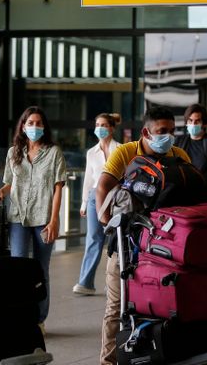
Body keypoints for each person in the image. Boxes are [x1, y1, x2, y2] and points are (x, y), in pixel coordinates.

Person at [95, 106, 192, 365]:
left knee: (162, 306)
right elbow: (103, 186)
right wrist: (107, 222)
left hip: (163, 246)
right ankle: (108, 361)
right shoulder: (126, 153)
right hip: (127, 242)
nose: (168, 137)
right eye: (162, 132)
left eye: (172, 131)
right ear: (146, 132)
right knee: (117, 307)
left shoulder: (179, 155)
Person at [0, 106, 67, 331]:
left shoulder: (54, 152)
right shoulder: (13, 152)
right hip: (18, 217)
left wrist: (54, 220)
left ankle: (39, 319)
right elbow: (9, 182)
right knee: (18, 267)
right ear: (23, 126)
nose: (34, 127)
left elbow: (58, 188)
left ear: (44, 126)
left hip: (43, 218)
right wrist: (1, 193)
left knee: (40, 269)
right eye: (30, 123)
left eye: (38, 123)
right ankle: (20, 315)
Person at [72, 113, 121, 296]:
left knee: (115, 239)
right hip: (94, 197)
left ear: (112, 128)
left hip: (116, 197)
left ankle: (113, 283)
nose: (100, 128)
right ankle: (85, 283)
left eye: (104, 125)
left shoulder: (121, 149)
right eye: (97, 124)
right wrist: (84, 203)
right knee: (94, 238)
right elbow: (88, 179)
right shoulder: (91, 153)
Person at [175, 103, 207, 195]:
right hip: (185, 194)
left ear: (204, 124)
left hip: (206, 194)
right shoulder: (179, 141)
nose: (193, 124)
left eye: (197, 121)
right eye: (190, 121)